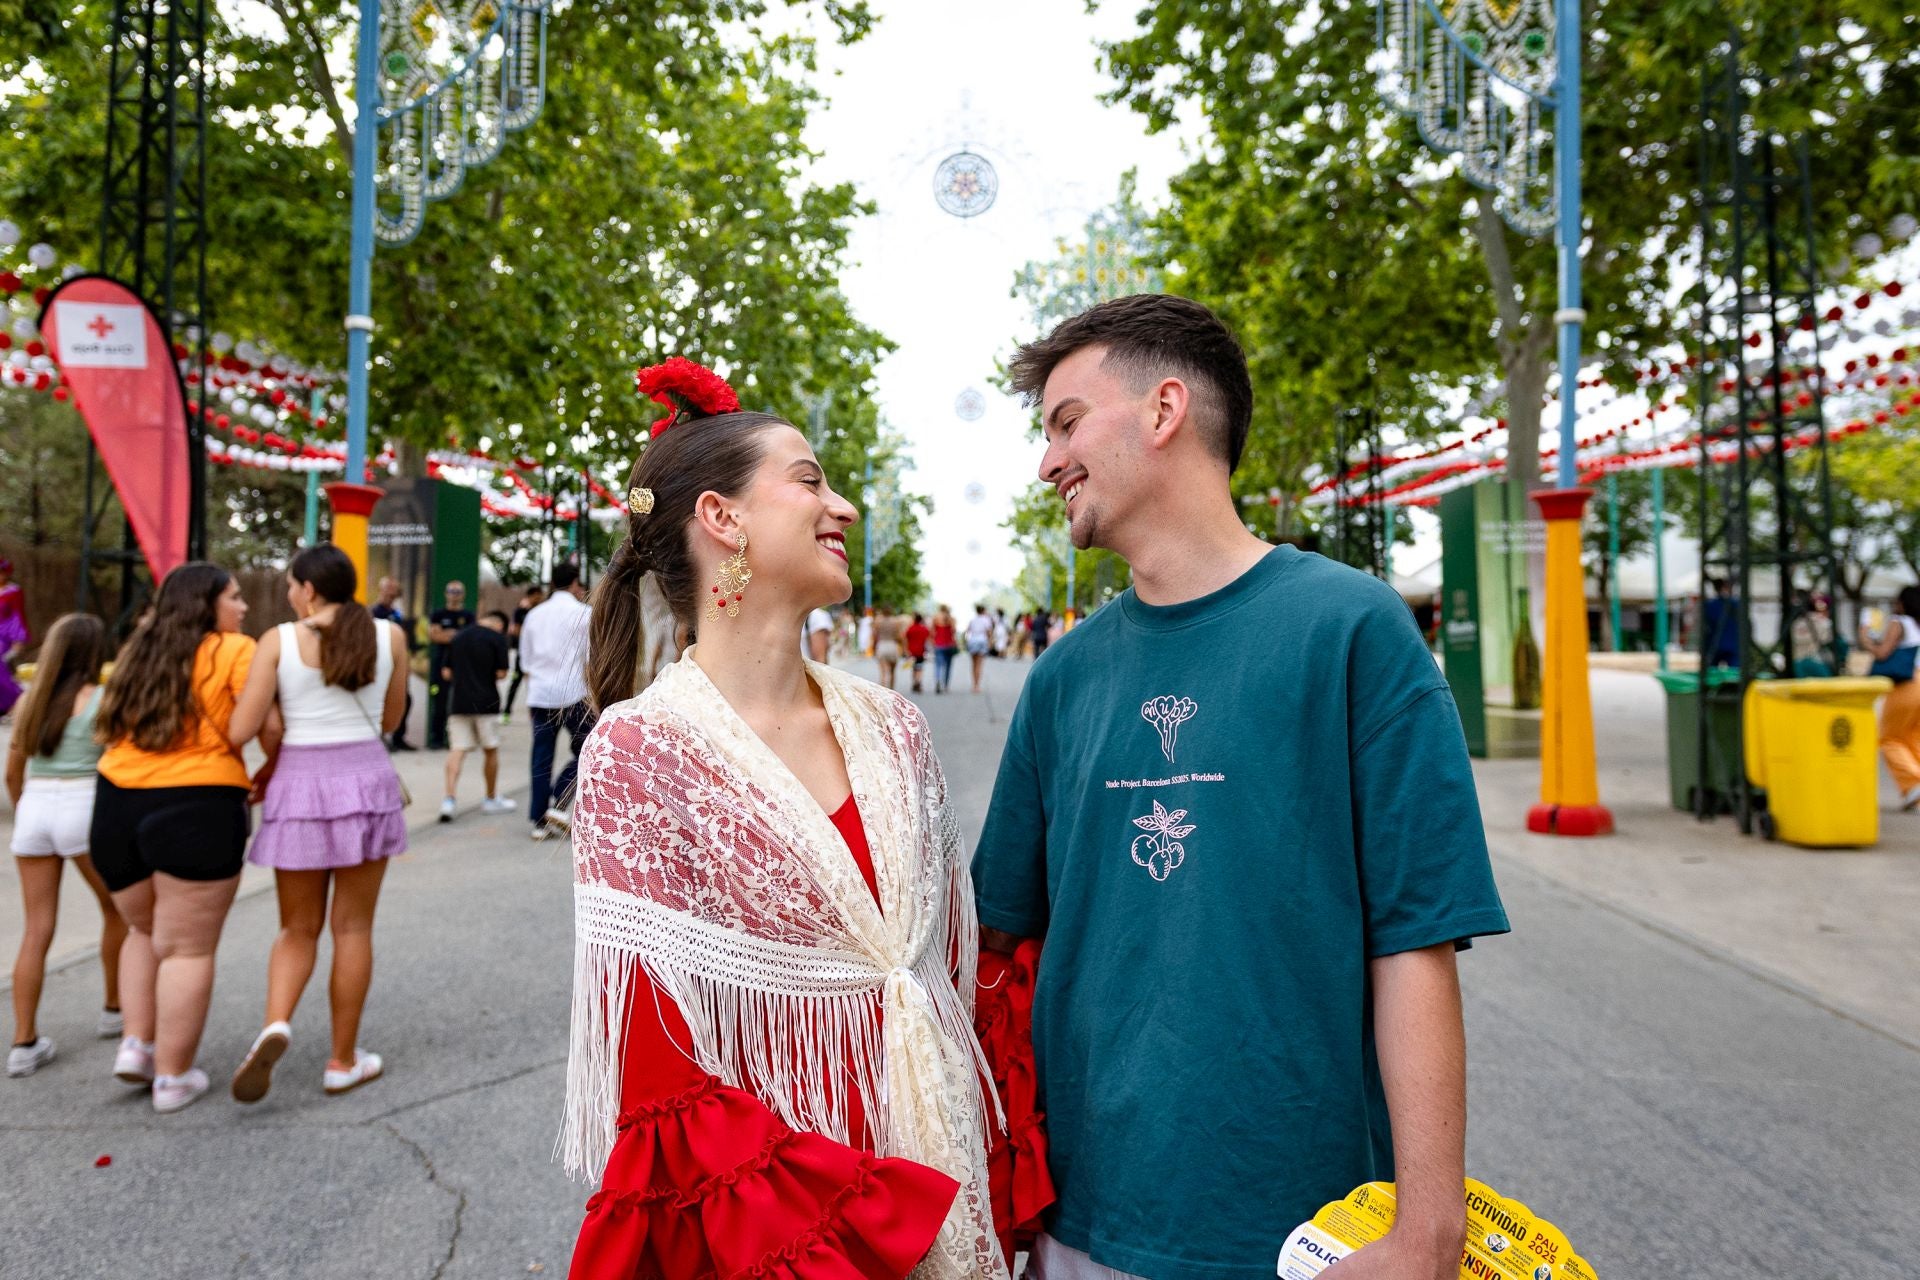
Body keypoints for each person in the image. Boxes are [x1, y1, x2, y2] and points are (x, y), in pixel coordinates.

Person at [973, 294, 1509, 1279]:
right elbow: (988, 944)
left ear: (1164, 408)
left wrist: (1429, 1228)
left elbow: (1417, 940)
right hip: (1081, 1221)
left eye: (1065, 422)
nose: (1047, 462)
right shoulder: (1062, 677)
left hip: (1310, 1228)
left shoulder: (1352, 630)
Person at [562, 361, 1003, 1280]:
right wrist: (854, 1228)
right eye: (809, 481)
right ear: (721, 519)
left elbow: (952, 981)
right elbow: (663, 1078)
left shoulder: (896, 729)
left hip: (948, 1168)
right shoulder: (641, 752)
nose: (841, 506)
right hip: (798, 1232)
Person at [225, 545, 410, 1103]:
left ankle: (277, 1021)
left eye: (290, 586)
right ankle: (342, 1060)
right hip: (366, 781)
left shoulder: (277, 640)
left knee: (296, 929)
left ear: (308, 589)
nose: (288, 596)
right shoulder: (389, 637)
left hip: (298, 789)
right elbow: (391, 719)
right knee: (352, 928)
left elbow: (243, 729)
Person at [90, 562, 256, 1113]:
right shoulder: (235, 650)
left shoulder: (140, 647)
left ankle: (137, 1045)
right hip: (198, 803)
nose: (243, 608)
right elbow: (268, 724)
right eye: (235, 598)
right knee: (187, 947)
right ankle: (173, 1078)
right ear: (208, 604)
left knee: (142, 929)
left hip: (115, 800)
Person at [6, 614, 126, 1076]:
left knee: (37, 928)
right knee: (116, 909)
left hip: (36, 807)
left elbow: (12, 774)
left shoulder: (28, 702)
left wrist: (26, 812)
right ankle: (113, 1009)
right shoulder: (102, 700)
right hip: (84, 806)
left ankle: (23, 1043)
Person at [518, 561, 593, 841]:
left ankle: (538, 821)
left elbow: (525, 661)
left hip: (541, 694)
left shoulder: (534, 615)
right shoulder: (585, 613)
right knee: (587, 750)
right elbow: (590, 659)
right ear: (575, 583)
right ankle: (559, 799)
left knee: (541, 758)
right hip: (574, 694)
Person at [439, 611, 516, 821]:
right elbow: (501, 673)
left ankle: (449, 799)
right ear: (499, 624)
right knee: (490, 750)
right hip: (486, 702)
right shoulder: (497, 639)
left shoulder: (459, 637)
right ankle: (490, 798)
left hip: (459, 701)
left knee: (457, 749)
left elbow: (446, 672)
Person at [1860, 585, 1920, 810]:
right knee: (1912, 737)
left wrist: (1864, 636)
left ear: (1903, 603)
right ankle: (1913, 789)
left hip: (1907, 685)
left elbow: (1883, 653)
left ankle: (1914, 782)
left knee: (1889, 738)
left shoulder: (1900, 622)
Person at [370, 575, 417, 751]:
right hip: (380, 662)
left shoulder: (397, 613)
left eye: (394, 589)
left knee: (406, 698)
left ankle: (398, 737)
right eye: (388, 588)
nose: (391, 593)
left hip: (397, 660)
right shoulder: (374, 612)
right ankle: (381, 736)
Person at [425, 581, 474, 750]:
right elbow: (435, 636)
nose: (454, 594)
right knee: (439, 701)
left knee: (459, 703)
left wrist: (447, 634)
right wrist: (455, 635)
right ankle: (436, 737)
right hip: (440, 663)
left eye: (458, 591)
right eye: (451, 591)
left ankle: (456, 739)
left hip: (461, 665)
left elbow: (468, 638)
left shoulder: (468, 616)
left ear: (463, 594)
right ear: (446, 593)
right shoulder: (438, 614)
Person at [501, 584, 546, 722]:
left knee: (536, 683)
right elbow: (516, 630)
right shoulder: (521, 612)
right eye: (535, 596)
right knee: (516, 681)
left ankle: (536, 713)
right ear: (530, 597)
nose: (538, 598)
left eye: (540, 596)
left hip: (539, 654)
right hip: (523, 653)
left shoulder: (543, 611)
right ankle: (507, 711)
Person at [0, 556, 29, 717]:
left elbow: (18, 616)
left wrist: (19, 640)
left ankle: (14, 700)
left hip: (4, 636)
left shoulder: (14, 592)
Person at [1789, 589, 1837, 677]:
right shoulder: (1825, 623)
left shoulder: (1795, 623)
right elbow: (1829, 642)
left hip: (1795, 661)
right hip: (1816, 661)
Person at [1702, 577, 1741, 668]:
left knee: (1711, 673)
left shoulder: (1710, 605)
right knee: (1735, 673)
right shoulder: (1736, 604)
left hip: (1715, 644)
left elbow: (1707, 624)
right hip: (1732, 644)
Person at [872, 604, 903, 689]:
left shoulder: (878, 621)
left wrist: (873, 648)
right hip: (892, 646)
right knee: (892, 672)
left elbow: (874, 637)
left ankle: (883, 692)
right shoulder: (896, 621)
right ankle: (892, 691)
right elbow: (899, 636)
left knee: (883, 673)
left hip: (882, 646)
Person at [964, 604, 993, 694]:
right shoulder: (986, 620)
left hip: (972, 641)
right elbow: (989, 632)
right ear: (983, 610)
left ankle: (973, 684)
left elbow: (967, 631)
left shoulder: (973, 619)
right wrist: (990, 642)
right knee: (979, 665)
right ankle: (977, 686)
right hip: (981, 641)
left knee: (973, 664)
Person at [931, 604, 960, 694]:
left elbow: (932, 632)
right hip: (949, 644)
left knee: (938, 665)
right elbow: (954, 631)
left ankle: (938, 680)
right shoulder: (952, 619)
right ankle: (946, 685)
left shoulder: (936, 618)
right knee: (948, 666)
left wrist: (933, 642)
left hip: (938, 644)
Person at [905, 611, 931, 693]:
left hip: (911, 651)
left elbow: (906, 638)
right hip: (921, 651)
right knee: (919, 668)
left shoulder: (910, 628)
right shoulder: (924, 629)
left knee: (913, 668)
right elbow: (928, 638)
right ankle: (918, 681)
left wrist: (906, 650)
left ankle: (914, 682)